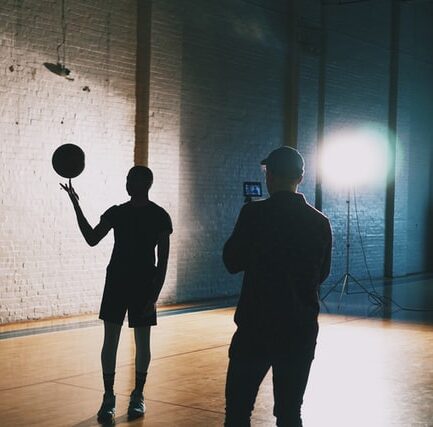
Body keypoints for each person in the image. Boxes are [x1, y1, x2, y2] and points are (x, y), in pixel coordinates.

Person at [223, 146, 332, 427]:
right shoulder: (320, 223)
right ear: (301, 177)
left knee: (237, 412)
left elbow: (232, 262)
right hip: (299, 330)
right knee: (289, 413)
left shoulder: (254, 214)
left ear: (269, 176)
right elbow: (322, 274)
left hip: (255, 328)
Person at [61, 166, 172, 423]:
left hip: (143, 286)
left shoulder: (160, 216)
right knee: (110, 341)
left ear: (144, 184)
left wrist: (154, 295)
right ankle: (108, 397)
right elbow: (91, 238)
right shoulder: (117, 212)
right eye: (127, 179)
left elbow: (163, 260)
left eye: (130, 180)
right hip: (117, 283)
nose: (126, 183)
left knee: (143, 343)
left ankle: (138, 396)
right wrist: (76, 205)